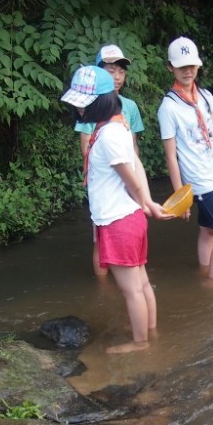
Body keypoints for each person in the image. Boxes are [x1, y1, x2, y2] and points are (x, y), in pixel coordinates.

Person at [61, 66, 171, 353]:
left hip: (118, 221)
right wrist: (146, 203)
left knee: (130, 289)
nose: (79, 109)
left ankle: (140, 344)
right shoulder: (114, 126)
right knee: (142, 283)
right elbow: (138, 166)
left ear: (102, 101)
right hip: (128, 218)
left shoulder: (109, 135)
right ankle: (149, 331)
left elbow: (131, 177)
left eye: (84, 104)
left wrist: (147, 202)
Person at [157, 37, 213, 279]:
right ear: (170, 67)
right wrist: (180, 198)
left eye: (191, 65)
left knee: (208, 230)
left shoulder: (205, 96)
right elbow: (171, 156)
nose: (188, 71)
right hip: (199, 184)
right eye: (181, 66)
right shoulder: (168, 108)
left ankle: (203, 273)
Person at [75, 45, 145, 278]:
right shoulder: (90, 107)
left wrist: (136, 186)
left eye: (121, 72)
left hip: (127, 179)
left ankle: (126, 282)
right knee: (101, 239)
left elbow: (133, 148)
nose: (116, 77)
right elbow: (87, 148)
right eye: (110, 71)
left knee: (128, 231)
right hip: (106, 181)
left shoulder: (130, 107)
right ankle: (104, 290)